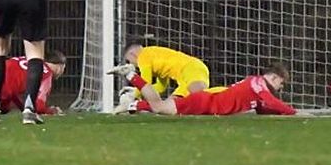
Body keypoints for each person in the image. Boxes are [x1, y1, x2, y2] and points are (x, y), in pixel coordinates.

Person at [111, 61, 296, 116]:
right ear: (273, 77)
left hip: (204, 102)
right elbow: (271, 101)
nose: (280, 88)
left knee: (163, 106)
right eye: (281, 83)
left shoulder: (256, 84)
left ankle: (133, 105)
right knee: (160, 107)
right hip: (204, 103)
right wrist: (293, 112)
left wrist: (280, 113)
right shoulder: (259, 84)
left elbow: (263, 107)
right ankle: (131, 76)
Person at [106, 43, 211, 107]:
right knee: (171, 106)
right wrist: (135, 91)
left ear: (133, 54)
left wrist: (133, 96)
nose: (131, 63)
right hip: (185, 78)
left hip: (190, 68)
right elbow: (161, 88)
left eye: (129, 60)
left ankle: (225, 98)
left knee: (198, 94)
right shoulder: (157, 63)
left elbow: (145, 82)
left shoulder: (143, 56)